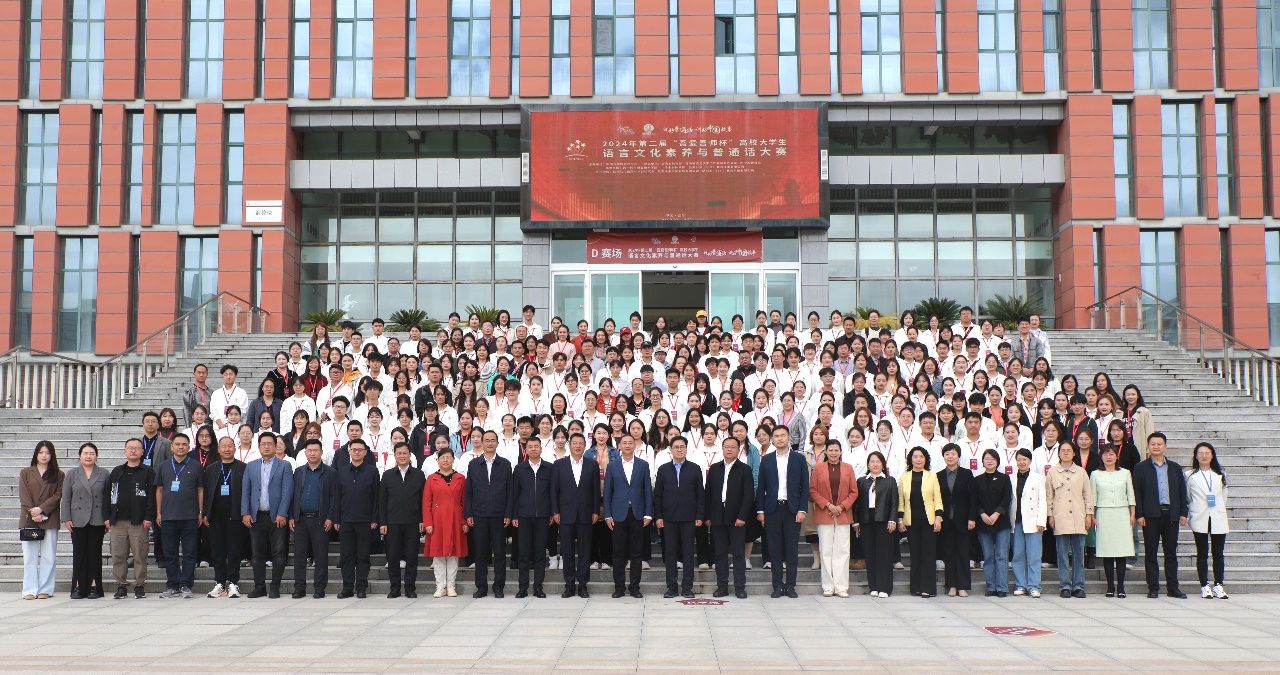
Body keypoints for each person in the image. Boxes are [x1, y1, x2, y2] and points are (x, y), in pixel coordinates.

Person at [1133, 432, 1189, 599]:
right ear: (1148, 447)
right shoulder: (1141, 468)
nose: (1156, 447)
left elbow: (1182, 491)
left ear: (1165, 446)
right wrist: (1139, 514)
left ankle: (1173, 588)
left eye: (1159, 444)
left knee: (1171, 553)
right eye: (1153, 444)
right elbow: (1137, 493)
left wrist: (1183, 512)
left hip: (1171, 515)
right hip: (1150, 515)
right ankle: (1153, 587)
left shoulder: (1175, 467)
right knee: (1151, 553)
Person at [757, 426, 810, 599]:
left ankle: (791, 585)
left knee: (791, 549)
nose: (780, 438)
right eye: (776, 436)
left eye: (783, 435)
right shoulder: (767, 460)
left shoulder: (798, 459)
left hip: (792, 509)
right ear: (772, 439)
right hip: (772, 509)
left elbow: (805, 486)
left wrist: (802, 509)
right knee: (774, 549)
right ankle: (777, 586)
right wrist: (760, 510)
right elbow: (761, 488)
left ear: (789, 438)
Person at [241, 432, 293, 599]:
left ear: (276, 446)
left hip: (276, 516)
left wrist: (282, 513)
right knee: (257, 554)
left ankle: (275, 586)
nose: (266, 446)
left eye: (270, 443)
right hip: (257, 516)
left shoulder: (284, 465)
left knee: (279, 552)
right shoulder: (251, 466)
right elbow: (246, 491)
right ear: (259, 446)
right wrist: (245, 512)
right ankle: (259, 587)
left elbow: (287, 491)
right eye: (263, 443)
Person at [464, 430, 513, 598]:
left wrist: (508, 513)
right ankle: (481, 587)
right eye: (487, 440)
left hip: (499, 515)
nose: (490, 443)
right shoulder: (473, 464)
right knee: (480, 553)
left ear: (497, 443)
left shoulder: (505, 464)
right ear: (482, 443)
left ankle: (499, 587)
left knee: (500, 553)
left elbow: (510, 491)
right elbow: (468, 491)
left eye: (493, 440)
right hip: (479, 515)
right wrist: (468, 513)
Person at [105, 438, 156, 599]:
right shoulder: (117, 471)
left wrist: (149, 517)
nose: (133, 451)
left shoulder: (148, 472)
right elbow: (108, 494)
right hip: (118, 521)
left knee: (140, 555)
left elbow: (152, 497)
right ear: (125, 451)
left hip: (139, 521)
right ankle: (121, 585)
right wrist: (107, 516)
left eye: (137, 448)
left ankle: (139, 585)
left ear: (142, 452)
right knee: (118, 555)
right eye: (130, 448)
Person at [155, 433, 204, 599]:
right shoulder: (163, 466)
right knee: (170, 553)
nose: (181, 447)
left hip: (190, 516)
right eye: (177, 444)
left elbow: (200, 490)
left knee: (190, 552)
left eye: (184, 444)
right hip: (168, 516)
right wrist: (159, 512)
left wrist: (200, 512)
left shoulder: (196, 466)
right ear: (172, 447)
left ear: (189, 447)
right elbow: (159, 490)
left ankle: (186, 585)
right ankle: (172, 585)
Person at [604, 434, 654, 598]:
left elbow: (647, 491)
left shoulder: (643, 465)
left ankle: (634, 587)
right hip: (618, 514)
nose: (627, 445)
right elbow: (608, 492)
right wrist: (607, 515)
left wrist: (648, 513)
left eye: (630, 443)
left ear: (635, 446)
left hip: (638, 514)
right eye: (624, 443)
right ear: (619, 446)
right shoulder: (612, 466)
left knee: (636, 553)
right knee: (618, 553)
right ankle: (619, 588)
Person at [704, 436, 754, 599]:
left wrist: (742, 516)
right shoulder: (715, 468)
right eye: (727, 446)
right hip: (717, 517)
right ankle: (722, 587)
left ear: (739, 449)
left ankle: (740, 587)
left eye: (733, 447)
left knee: (738, 554)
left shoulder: (745, 469)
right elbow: (708, 493)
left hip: (737, 518)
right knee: (720, 553)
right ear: (722, 449)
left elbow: (748, 495)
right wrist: (708, 516)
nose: (730, 449)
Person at [654, 436, 704, 598]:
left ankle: (687, 587)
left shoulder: (695, 469)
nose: (679, 449)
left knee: (688, 553)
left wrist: (700, 515)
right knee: (670, 553)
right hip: (668, 518)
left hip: (689, 517)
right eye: (676, 447)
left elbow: (700, 494)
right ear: (671, 449)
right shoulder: (663, 469)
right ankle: (672, 587)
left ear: (686, 449)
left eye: (682, 446)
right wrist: (658, 516)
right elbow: (658, 495)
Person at [552, 433, 601, 598]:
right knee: (567, 551)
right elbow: (554, 491)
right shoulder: (559, 465)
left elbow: (596, 491)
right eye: (575, 443)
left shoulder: (592, 465)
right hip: (565, 514)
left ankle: (583, 585)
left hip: (586, 514)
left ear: (585, 446)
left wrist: (596, 511)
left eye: (581, 443)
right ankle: (569, 585)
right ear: (569, 445)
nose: (578, 446)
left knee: (585, 551)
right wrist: (555, 511)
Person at [809, 439, 857, 598]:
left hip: (843, 514)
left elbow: (854, 492)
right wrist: (828, 505)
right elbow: (813, 490)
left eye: (836, 450)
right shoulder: (818, 468)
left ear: (841, 451)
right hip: (825, 513)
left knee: (842, 551)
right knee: (825, 551)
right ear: (826, 452)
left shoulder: (848, 468)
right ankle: (828, 586)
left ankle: (841, 587)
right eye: (830, 450)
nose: (834, 453)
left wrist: (841, 507)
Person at [289, 438, 336, 598]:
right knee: (299, 556)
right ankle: (299, 588)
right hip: (300, 520)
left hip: (320, 520)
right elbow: (293, 495)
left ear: (321, 452)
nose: (313, 453)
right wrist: (292, 516)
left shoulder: (330, 472)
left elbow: (333, 497)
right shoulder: (299, 472)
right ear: (305, 453)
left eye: (316, 450)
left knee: (321, 556)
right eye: (309, 450)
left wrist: (330, 517)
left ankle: (319, 588)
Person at [1046, 441, 1094, 598]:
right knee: (1062, 555)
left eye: (1069, 450)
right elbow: (1049, 497)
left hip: (1079, 517)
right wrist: (1050, 515)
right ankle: (1065, 586)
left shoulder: (1081, 472)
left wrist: (1089, 514)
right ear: (1059, 453)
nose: (1066, 453)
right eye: (1063, 450)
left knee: (1079, 554)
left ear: (1074, 453)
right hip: (1060, 517)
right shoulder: (1052, 472)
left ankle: (1078, 586)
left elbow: (1088, 495)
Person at [62, 442, 109, 599]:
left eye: (92, 453)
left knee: (95, 553)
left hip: (97, 518)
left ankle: (95, 586)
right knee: (79, 553)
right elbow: (66, 497)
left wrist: (107, 517)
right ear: (80, 456)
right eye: (85, 453)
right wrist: (66, 518)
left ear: (97, 456)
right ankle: (78, 587)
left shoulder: (104, 474)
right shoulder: (72, 474)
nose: (88, 456)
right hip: (77, 519)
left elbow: (108, 498)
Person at [333, 439, 380, 598]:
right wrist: (336, 519)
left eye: (360, 450)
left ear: (365, 452)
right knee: (346, 556)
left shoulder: (372, 471)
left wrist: (375, 518)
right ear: (349, 452)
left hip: (365, 520)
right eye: (354, 449)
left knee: (363, 556)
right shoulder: (342, 471)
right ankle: (347, 588)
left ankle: (361, 587)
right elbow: (337, 497)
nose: (357, 452)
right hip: (345, 520)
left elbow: (376, 497)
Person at [379, 442, 426, 598]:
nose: (402, 456)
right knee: (393, 557)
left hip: (413, 522)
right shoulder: (387, 475)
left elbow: (423, 500)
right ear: (395, 455)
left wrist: (422, 519)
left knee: (412, 557)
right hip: (392, 522)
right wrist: (383, 522)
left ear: (410, 455)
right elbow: (382, 501)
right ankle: (395, 588)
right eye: (399, 453)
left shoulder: (419, 474)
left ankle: (410, 589)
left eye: (405, 453)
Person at [510, 436, 555, 598]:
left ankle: (538, 588)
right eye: (530, 446)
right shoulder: (519, 469)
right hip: (524, 516)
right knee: (523, 553)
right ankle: (522, 588)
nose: (534, 449)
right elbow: (514, 493)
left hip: (543, 516)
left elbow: (552, 493)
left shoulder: (549, 468)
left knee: (540, 553)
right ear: (526, 450)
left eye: (536, 446)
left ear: (541, 448)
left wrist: (552, 512)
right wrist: (514, 515)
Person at [202, 436, 246, 598]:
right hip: (215, 516)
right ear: (219, 449)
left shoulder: (243, 467)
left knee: (234, 550)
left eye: (230, 446)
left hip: (235, 515)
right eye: (223, 446)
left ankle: (233, 582)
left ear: (235, 448)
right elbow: (206, 493)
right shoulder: (211, 469)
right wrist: (205, 513)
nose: (227, 449)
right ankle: (220, 583)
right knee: (218, 551)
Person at [897, 446, 943, 598]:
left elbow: (938, 499)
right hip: (911, 522)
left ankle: (927, 588)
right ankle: (915, 587)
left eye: (921, 456)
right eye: (915, 456)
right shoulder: (904, 477)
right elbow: (901, 502)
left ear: (926, 459)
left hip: (929, 521)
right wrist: (900, 520)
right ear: (910, 459)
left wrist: (938, 518)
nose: (918, 459)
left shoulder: (932, 476)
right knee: (915, 555)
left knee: (928, 555)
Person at [19, 442, 63, 600]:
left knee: (48, 555)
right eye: (41, 452)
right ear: (36, 454)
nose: (44, 455)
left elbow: (58, 495)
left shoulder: (58, 474)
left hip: (50, 517)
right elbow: (24, 495)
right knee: (29, 556)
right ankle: (29, 590)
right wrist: (33, 511)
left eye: (48, 453)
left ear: (52, 455)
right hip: (29, 518)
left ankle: (45, 589)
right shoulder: (26, 472)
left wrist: (42, 509)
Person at [1091, 445, 1136, 598]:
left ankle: (1121, 586)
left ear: (1117, 456)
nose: (1108, 457)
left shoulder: (1125, 473)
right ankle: (1110, 586)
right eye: (1105, 454)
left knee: (1121, 552)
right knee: (1108, 552)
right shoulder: (1095, 474)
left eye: (1111, 454)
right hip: (1104, 514)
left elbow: (1131, 495)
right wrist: (1092, 516)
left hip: (1122, 513)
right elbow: (1093, 498)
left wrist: (1132, 514)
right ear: (1101, 457)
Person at [1187, 442, 1229, 599]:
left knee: (1218, 553)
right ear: (1196, 456)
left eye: (1207, 453)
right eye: (1200, 453)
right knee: (1202, 553)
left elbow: (1224, 495)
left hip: (1218, 515)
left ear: (1212, 455)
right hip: (1200, 516)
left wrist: (1219, 508)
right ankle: (1204, 585)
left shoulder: (1220, 473)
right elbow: (1188, 496)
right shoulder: (1189, 475)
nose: (1204, 456)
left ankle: (1218, 584)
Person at [424, 448, 468, 598]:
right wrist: (428, 522)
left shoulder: (460, 478)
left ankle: (451, 585)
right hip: (437, 520)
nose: (445, 460)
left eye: (448, 457)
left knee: (453, 554)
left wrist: (464, 521)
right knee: (438, 554)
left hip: (456, 519)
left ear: (453, 460)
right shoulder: (431, 479)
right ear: (437, 461)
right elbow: (426, 503)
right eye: (442, 457)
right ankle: (440, 586)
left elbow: (464, 502)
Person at [855, 451, 898, 598]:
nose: (875, 464)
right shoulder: (862, 481)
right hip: (866, 520)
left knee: (884, 555)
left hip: (884, 520)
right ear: (868, 465)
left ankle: (884, 588)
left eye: (878, 461)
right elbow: (857, 504)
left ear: (883, 464)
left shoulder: (890, 481)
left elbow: (894, 502)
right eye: (872, 461)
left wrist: (893, 520)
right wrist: (856, 522)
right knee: (869, 554)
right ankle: (873, 586)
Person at [937, 443, 977, 598]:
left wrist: (972, 517)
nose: (950, 456)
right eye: (947, 454)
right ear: (943, 457)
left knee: (963, 553)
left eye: (953, 454)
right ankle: (951, 585)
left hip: (963, 520)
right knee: (949, 553)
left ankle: (963, 586)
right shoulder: (938, 475)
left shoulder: (967, 474)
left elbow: (973, 498)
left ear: (958, 456)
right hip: (946, 520)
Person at [973, 449, 1012, 598]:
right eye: (987, 458)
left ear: (997, 461)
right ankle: (991, 586)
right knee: (988, 556)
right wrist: (982, 514)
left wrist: (997, 513)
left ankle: (1002, 587)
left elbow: (1006, 498)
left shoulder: (1004, 478)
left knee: (1002, 556)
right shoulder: (977, 480)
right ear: (983, 461)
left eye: (992, 459)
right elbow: (974, 500)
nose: (989, 461)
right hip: (983, 522)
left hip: (1001, 522)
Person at [1009, 448, 1048, 598]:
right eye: (1019, 459)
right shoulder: (1011, 477)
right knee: (1018, 555)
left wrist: (1041, 521)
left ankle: (1034, 586)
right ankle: (1020, 585)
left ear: (1030, 461)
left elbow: (1042, 501)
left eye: (1024, 459)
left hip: (1033, 521)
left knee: (1034, 556)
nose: (1021, 462)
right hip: (1016, 521)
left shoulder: (1038, 478)